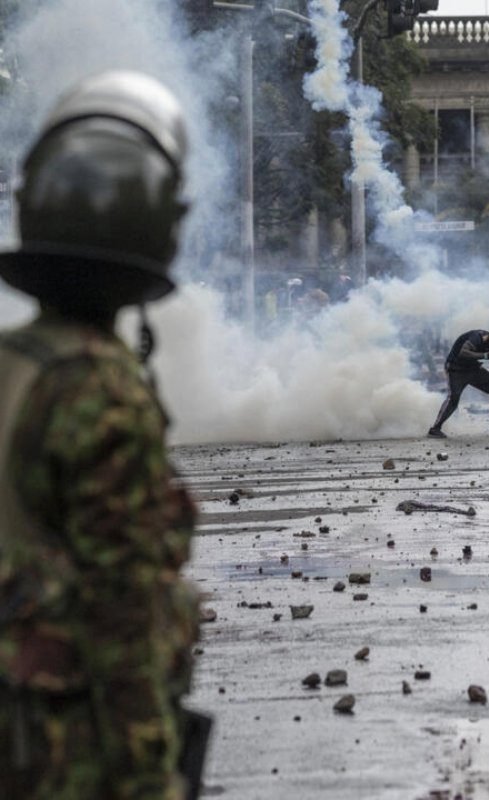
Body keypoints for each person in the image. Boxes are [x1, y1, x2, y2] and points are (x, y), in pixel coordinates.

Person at [0, 71, 202, 799]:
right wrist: (149, 777)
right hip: (59, 752)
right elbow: (123, 614)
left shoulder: (13, 361)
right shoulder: (101, 390)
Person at [428, 328, 489, 437]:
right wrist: (485, 356)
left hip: (472, 369)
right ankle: (435, 429)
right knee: (453, 399)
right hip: (456, 369)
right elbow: (463, 353)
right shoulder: (476, 337)